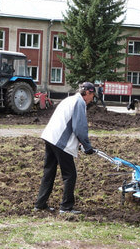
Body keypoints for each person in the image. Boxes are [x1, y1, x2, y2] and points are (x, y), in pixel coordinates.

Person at [34, 82, 96, 214]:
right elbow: (79, 128)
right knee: (70, 175)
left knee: (49, 172)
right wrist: (87, 145)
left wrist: (79, 143)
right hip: (60, 142)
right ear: (88, 93)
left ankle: (40, 204)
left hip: (50, 137)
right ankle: (66, 207)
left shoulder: (69, 99)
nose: (92, 99)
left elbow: (67, 121)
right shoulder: (79, 103)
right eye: (93, 95)